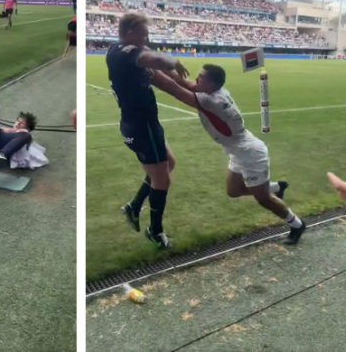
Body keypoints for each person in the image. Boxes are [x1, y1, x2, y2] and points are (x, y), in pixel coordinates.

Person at [149, 64, 304, 244]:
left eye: (201, 77)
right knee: (233, 191)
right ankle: (277, 187)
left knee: (264, 199)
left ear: (212, 84)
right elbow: (185, 83)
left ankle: (296, 224)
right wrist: (164, 64)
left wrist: (151, 72)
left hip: (251, 153)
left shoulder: (212, 102)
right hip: (238, 149)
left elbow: (175, 89)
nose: (197, 79)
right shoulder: (216, 91)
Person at [108, 13, 189, 249]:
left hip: (144, 126)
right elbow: (158, 61)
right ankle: (155, 231)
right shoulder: (124, 53)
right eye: (144, 34)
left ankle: (133, 206)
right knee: (162, 179)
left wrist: (193, 90)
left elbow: (167, 79)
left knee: (168, 165)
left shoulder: (130, 55)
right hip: (142, 128)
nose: (147, 39)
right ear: (130, 32)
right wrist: (173, 61)